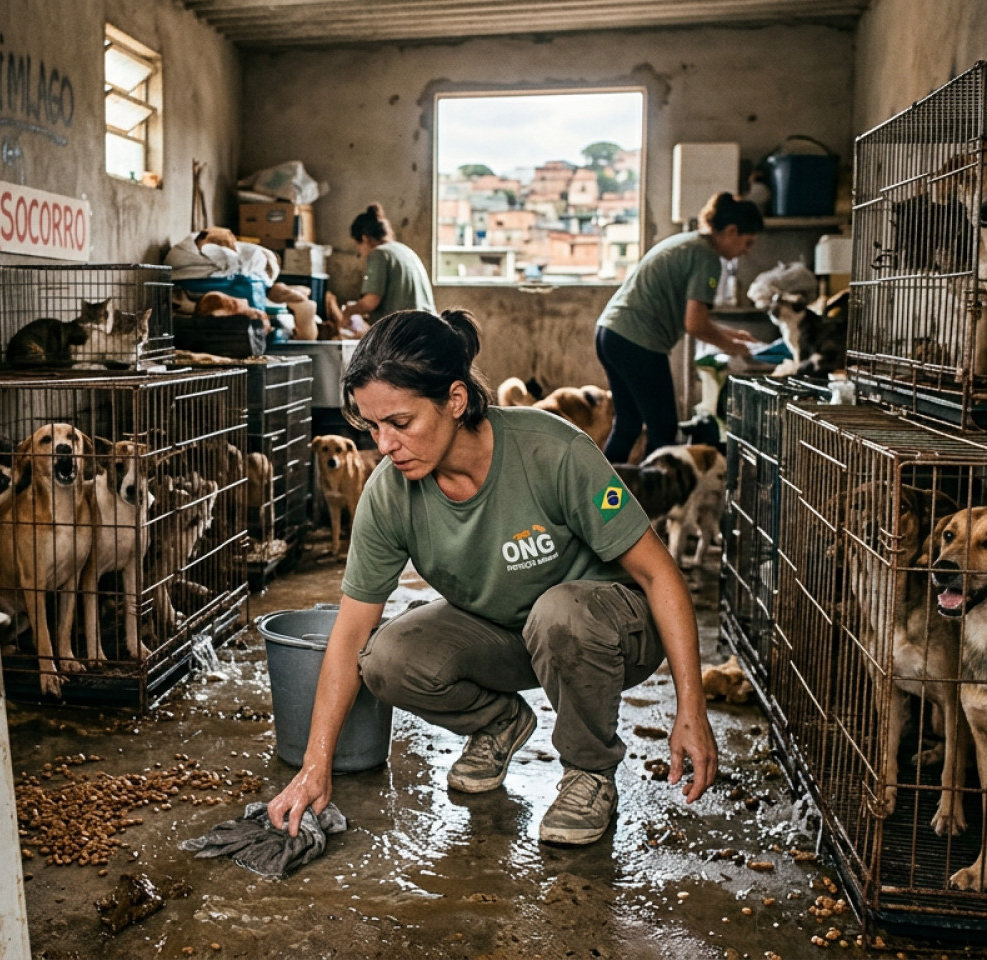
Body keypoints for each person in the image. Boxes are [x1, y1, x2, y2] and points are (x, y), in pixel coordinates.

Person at [266, 308, 717, 847]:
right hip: (509, 633)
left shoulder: (552, 450)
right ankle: (498, 722)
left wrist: (692, 707)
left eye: (401, 423)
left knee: (559, 613)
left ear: (455, 400)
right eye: (372, 426)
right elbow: (349, 632)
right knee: (385, 657)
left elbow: (661, 575)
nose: (384, 445)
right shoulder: (390, 492)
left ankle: (589, 772)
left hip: (608, 633)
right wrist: (316, 764)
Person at [594, 191, 764, 463]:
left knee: (628, 425)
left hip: (611, 333)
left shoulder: (688, 244)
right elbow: (694, 324)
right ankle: (650, 501)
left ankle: (604, 502)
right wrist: (732, 347)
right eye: (748, 242)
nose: (747, 251)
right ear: (731, 231)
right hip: (638, 342)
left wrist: (731, 334)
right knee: (663, 429)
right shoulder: (708, 258)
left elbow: (693, 317)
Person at [329, 203, 435, 335]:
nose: (362, 256)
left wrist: (349, 311)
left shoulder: (379, 254)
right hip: (429, 328)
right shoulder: (404, 251)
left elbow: (370, 302)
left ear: (365, 239)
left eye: (359, 249)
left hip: (407, 333)